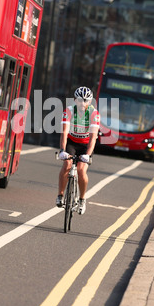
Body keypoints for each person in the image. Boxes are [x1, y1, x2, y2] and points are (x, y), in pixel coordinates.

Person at [56, 86, 100, 215]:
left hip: (86, 145)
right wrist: (62, 150)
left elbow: (93, 138)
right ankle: (60, 195)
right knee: (67, 165)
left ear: (90, 101)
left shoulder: (94, 114)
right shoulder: (69, 111)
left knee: (81, 170)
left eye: (86, 100)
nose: (83, 103)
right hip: (72, 142)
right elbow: (64, 132)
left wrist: (88, 154)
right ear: (75, 100)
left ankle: (82, 199)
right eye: (80, 100)